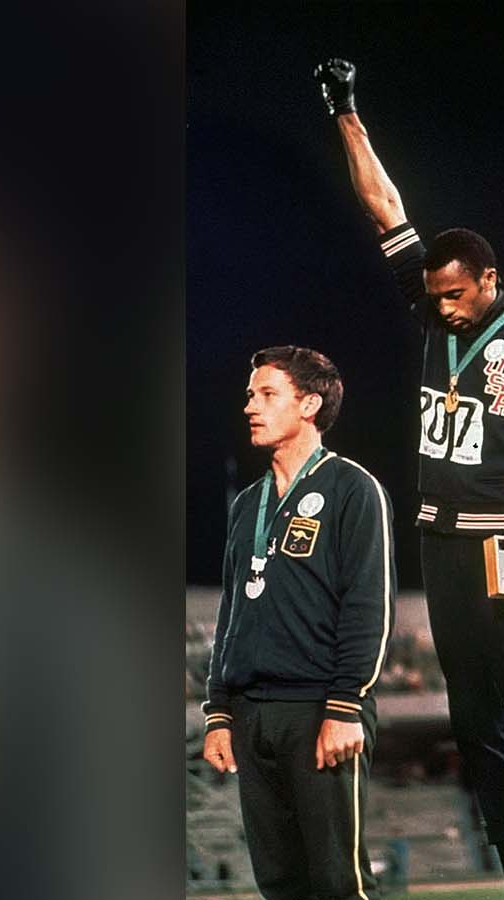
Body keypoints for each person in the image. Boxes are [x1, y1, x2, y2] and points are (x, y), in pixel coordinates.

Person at [313, 58, 504, 899]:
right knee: (475, 726)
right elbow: (385, 208)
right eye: (433, 297)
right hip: (441, 541)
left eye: (455, 296)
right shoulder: (433, 306)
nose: (440, 309)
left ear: (490, 280)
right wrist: (346, 112)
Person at [201, 346, 395, 900]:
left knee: (340, 883)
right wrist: (218, 712)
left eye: (267, 394)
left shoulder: (353, 490)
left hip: (319, 711)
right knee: (281, 884)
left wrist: (344, 705)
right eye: (249, 395)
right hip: (250, 713)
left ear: (309, 404)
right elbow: (231, 613)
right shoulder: (247, 506)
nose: (250, 407)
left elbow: (368, 607)